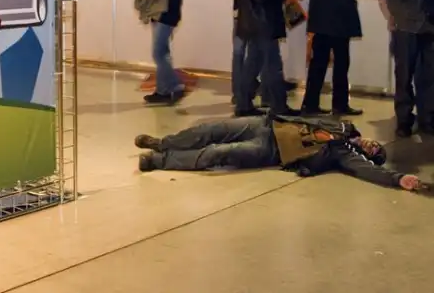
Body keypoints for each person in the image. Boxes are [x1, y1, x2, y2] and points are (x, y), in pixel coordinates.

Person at [134, 115, 424, 192]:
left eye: (374, 153)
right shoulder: (344, 127)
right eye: (376, 145)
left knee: (216, 154)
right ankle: (164, 143)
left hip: (272, 150)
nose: (373, 147)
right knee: (210, 130)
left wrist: (398, 179)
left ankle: (159, 161)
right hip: (269, 124)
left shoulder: (343, 153)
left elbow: (369, 170)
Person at [235, 0, 298, 116]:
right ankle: (279, 106)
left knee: (252, 65)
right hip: (265, 24)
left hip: (253, 24)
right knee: (273, 66)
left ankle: (243, 104)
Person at [302, 0, 362, 116]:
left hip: (320, 23)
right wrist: (352, 20)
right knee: (341, 65)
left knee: (317, 65)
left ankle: (310, 104)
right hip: (339, 24)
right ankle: (340, 104)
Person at [384, 0, 434, 137]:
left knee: (428, 77)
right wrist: (406, 18)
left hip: (429, 28)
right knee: (404, 76)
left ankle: (427, 120)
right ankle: (404, 121)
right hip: (406, 29)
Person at [138, 0, 186, 105]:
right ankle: (163, 90)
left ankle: (174, 85)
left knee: (158, 53)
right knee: (162, 53)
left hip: (168, 15)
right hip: (157, 14)